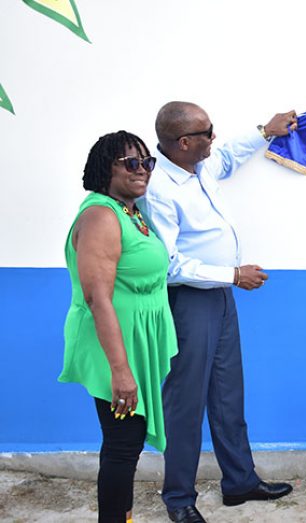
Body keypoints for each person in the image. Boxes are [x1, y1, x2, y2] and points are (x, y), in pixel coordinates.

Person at [141, 102, 297, 523]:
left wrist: (266, 131)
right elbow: (169, 266)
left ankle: (240, 482)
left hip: (221, 298)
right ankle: (178, 499)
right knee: (185, 404)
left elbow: (226, 157)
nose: (215, 138)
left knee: (228, 394)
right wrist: (232, 274)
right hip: (191, 302)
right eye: (208, 132)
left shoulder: (199, 165)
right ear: (185, 142)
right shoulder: (159, 190)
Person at [60, 131, 178, 523]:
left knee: (126, 442)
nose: (142, 169)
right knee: (122, 445)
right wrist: (121, 370)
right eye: (131, 163)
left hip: (134, 341)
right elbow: (97, 298)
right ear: (104, 169)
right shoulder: (100, 216)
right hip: (113, 347)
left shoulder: (131, 210)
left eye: (147, 162)